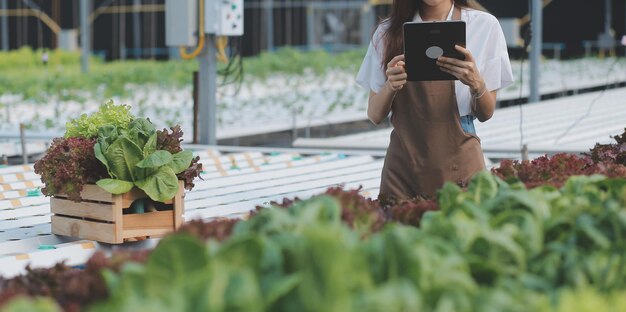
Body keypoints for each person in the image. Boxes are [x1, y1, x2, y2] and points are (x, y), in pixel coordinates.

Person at [356, 0, 514, 200]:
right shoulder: (387, 32)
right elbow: (374, 114)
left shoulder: (484, 26)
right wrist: (390, 85)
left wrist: (476, 83)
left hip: (461, 161)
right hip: (403, 170)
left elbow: (486, 113)